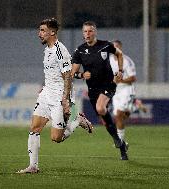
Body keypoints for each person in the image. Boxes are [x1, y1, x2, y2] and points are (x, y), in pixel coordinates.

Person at [16, 18, 93, 174]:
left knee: (56, 138)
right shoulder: (47, 50)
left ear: (52, 32)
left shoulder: (60, 50)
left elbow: (68, 76)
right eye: (39, 30)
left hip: (59, 96)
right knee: (34, 128)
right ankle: (33, 166)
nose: (39, 34)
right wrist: (45, 89)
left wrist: (65, 99)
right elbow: (53, 74)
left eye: (42, 30)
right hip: (47, 94)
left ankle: (77, 120)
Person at [71, 21, 128, 160]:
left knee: (100, 108)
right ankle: (121, 144)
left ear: (95, 32)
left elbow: (119, 54)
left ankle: (117, 140)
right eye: (85, 31)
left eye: (90, 31)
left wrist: (120, 71)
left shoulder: (105, 45)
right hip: (92, 89)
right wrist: (82, 75)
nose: (87, 34)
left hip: (108, 84)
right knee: (104, 119)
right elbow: (73, 72)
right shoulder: (79, 50)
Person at [110, 40, 146, 148]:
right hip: (116, 91)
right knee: (118, 117)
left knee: (120, 114)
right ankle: (134, 106)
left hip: (127, 89)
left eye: (117, 47)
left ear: (121, 48)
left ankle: (120, 142)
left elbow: (133, 78)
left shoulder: (127, 61)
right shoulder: (109, 60)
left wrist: (119, 80)